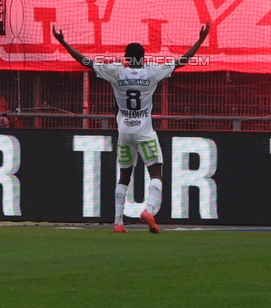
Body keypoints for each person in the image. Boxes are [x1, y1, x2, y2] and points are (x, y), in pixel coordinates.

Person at [53, 22, 211, 233]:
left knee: (124, 176)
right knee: (156, 172)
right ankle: (149, 211)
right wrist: (201, 39)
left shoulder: (117, 73)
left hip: (124, 132)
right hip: (145, 131)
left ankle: (118, 222)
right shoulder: (152, 72)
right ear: (143, 58)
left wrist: (63, 42)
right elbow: (182, 61)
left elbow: (86, 62)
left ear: (127, 58)